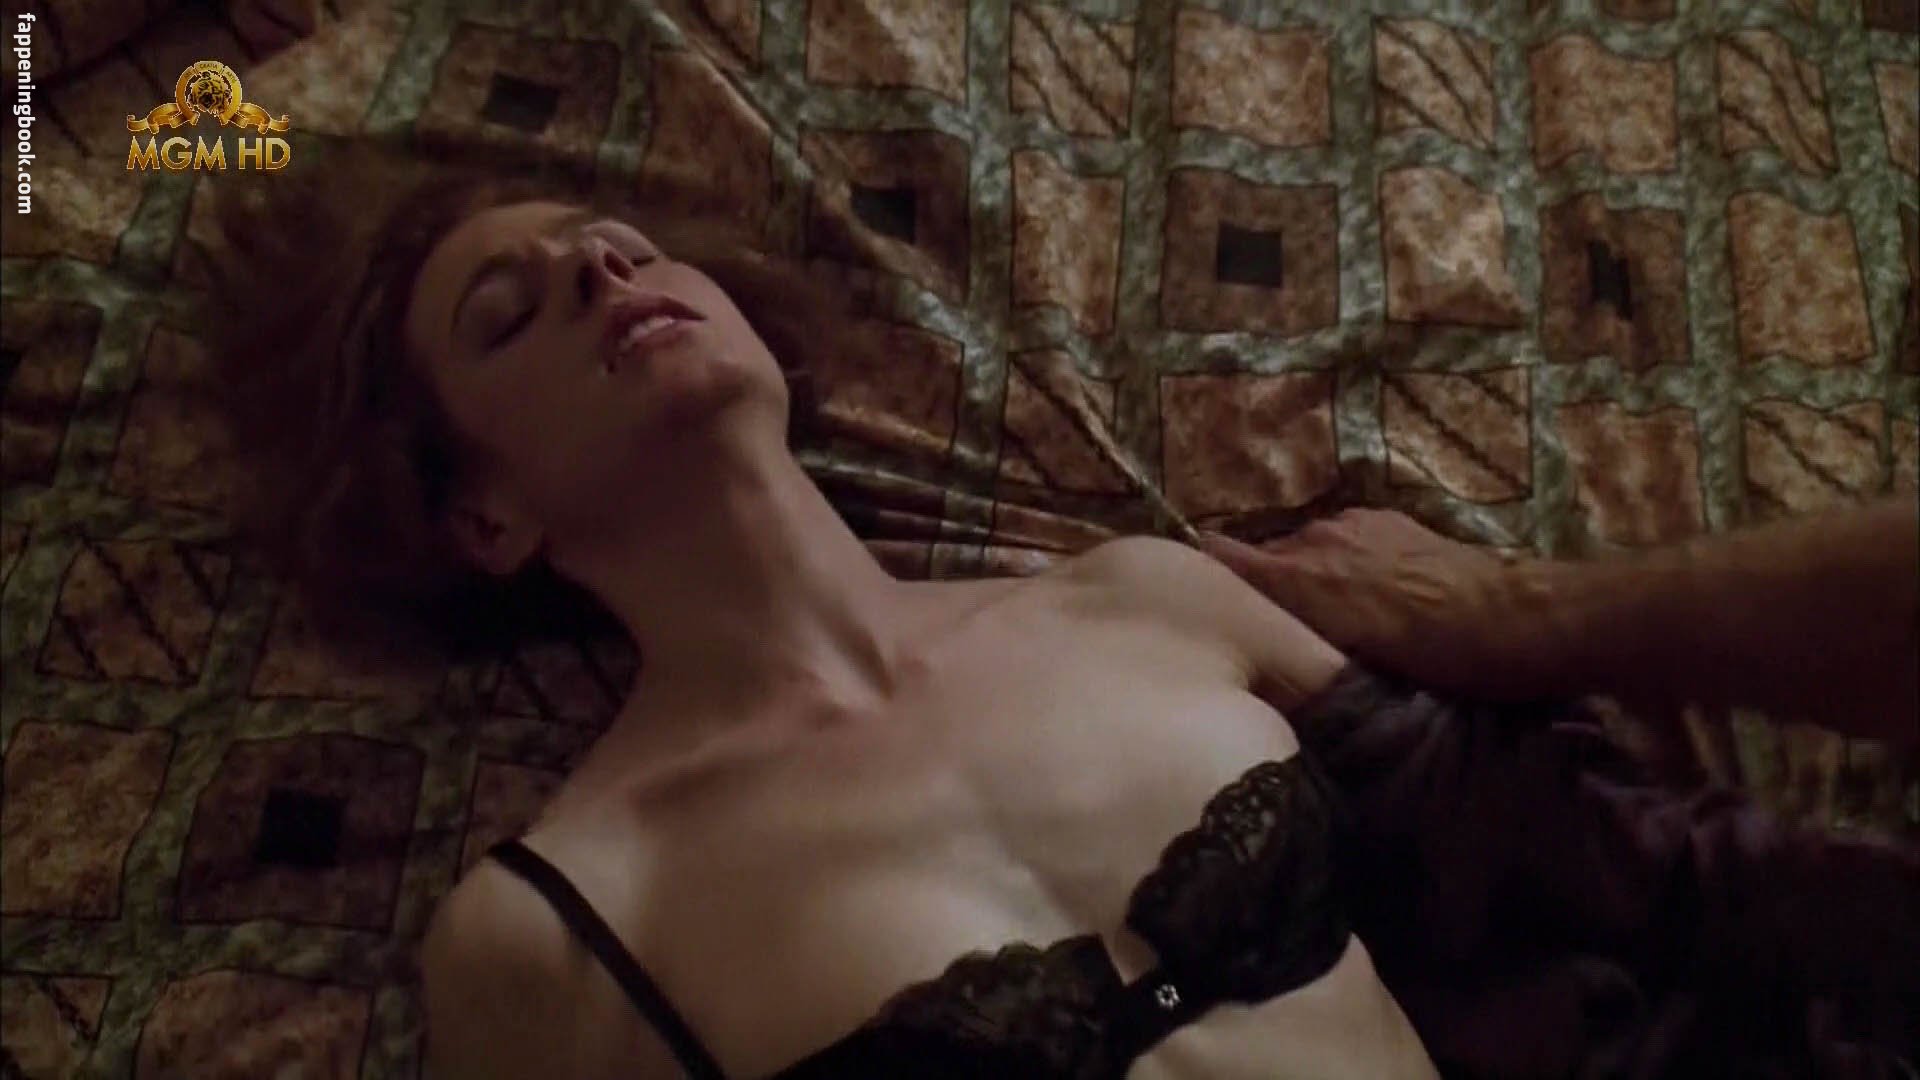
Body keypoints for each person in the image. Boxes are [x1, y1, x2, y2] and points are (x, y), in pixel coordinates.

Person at [200, 147, 1917, 1078]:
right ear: (480, 517)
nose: (604, 269)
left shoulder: (1147, 601)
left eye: (624, 244)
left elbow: (1625, 867)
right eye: (511, 311)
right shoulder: (556, 934)